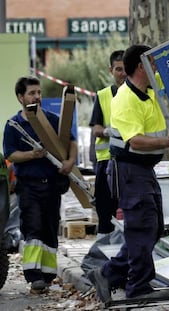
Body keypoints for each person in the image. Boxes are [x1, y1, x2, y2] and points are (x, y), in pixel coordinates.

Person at [88, 44, 169, 302]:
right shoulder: (126, 99)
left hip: (143, 170)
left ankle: (109, 274)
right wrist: (166, 142)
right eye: (151, 62)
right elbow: (136, 141)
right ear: (141, 66)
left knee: (153, 228)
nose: (155, 67)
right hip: (130, 171)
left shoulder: (147, 88)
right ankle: (137, 286)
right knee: (141, 228)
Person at [2, 76, 77, 294]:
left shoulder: (52, 120)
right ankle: (34, 277)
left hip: (52, 185)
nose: (37, 97)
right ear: (20, 98)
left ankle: (47, 275)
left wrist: (69, 162)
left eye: (38, 92)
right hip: (29, 186)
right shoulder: (14, 125)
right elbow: (11, 155)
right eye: (31, 93)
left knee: (50, 228)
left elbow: (70, 142)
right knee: (33, 228)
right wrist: (32, 155)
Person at [89, 50, 126, 238]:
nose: (123, 73)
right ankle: (103, 251)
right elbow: (95, 128)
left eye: (126, 69)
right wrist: (106, 131)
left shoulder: (139, 94)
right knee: (105, 210)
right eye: (119, 69)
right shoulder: (103, 95)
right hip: (106, 162)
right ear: (111, 70)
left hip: (129, 162)